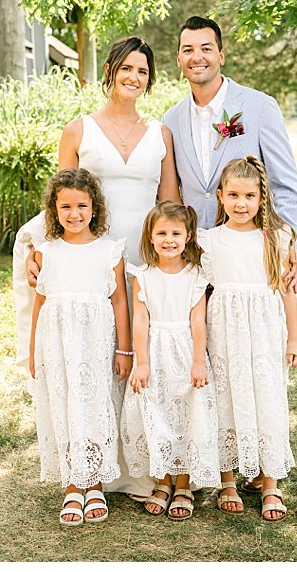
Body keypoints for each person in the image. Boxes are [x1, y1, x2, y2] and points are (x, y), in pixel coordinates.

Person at [13, 36, 179, 500]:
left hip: (144, 260)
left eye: (142, 71)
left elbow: (170, 203)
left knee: (139, 356)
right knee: (93, 360)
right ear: (110, 69)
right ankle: (92, 467)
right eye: (126, 68)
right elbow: (58, 202)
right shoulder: (79, 130)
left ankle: (146, 468)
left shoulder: (159, 134)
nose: (133, 77)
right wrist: (36, 248)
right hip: (91, 258)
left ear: (150, 79)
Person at [161, 15, 297, 286]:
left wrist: (290, 245)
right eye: (188, 50)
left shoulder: (259, 107)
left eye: (206, 48)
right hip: (195, 257)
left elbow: (285, 185)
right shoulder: (171, 119)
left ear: (221, 55)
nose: (197, 57)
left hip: (252, 256)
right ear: (179, 59)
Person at [200, 156, 297, 521]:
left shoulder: (275, 237)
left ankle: (270, 481)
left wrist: (293, 339)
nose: (240, 204)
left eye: (249, 196)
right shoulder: (208, 240)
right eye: (233, 195)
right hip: (224, 329)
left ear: (262, 199)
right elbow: (200, 292)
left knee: (266, 395)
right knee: (226, 396)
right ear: (220, 196)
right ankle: (227, 478)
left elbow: (287, 291)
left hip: (263, 330)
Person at [28, 168, 130, 526]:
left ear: (94, 208)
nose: (74, 214)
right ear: (54, 210)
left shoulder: (109, 251)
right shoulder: (45, 252)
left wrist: (125, 349)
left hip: (96, 342)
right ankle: (73, 484)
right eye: (66, 206)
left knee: (96, 403)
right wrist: (31, 352)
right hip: (56, 344)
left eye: (81, 206)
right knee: (64, 403)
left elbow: (119, 302)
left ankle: (96, 482)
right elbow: (39, 303)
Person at [121, 202, 217, 521]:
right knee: (157, 414)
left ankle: (184, 483)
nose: (169, 239)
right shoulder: (143, 276)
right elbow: (140, 322)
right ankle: (163, 481)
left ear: (188, 236)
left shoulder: (195, 276)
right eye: (161, 232)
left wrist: (198, 362)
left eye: (176, 233)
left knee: (187, 415)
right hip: (156, 352)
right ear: (150, 236)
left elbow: (199, 323)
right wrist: (142, 362)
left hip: (186, 352)